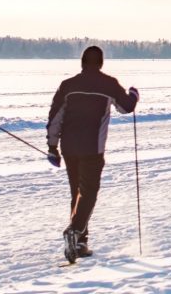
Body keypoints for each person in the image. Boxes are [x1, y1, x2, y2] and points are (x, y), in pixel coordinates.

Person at [46, 46, 139, 263]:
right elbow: (126, 108)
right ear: (101, 63)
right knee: (88, 193)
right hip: (92, 148)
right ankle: (75, 232)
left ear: (82, 62)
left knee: (77, 193)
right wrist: (134, 95)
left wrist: (52, 147)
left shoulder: (68, 85)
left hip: (69, 148)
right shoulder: (109, 84)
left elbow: (55, 117)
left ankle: (79, 242)